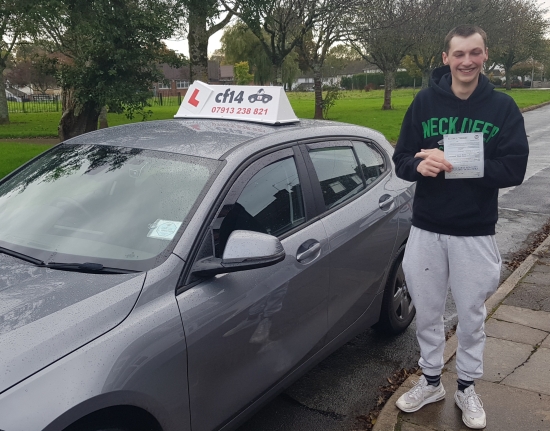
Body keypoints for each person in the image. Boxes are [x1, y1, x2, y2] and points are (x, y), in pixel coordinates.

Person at [392, 25, 528, 429]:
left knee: (471, 315)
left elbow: (515, 168)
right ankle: (431, 381)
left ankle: (467, 387)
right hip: (427, 229)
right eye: (459, 54)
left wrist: (466, 165)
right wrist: (419, 164)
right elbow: (401, 159)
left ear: (485, 55)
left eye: (475, 53)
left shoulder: (502, 107)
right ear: (446, 58)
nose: (467, 61)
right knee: (428, 312)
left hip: (475, 231)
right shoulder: (424, 102)